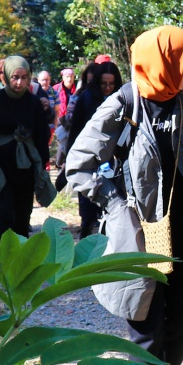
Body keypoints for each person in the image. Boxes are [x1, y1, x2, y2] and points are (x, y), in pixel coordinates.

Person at [65, 27, 183, 365]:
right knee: (146, 331)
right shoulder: (125, 102)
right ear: (166, 62)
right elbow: (78, 164)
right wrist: (115, 205)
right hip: (141, 236)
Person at [0, 55, 53, 240]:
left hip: (26, 166)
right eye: (15, 77)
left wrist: (42, 167)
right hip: (0, 165)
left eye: (24, 78)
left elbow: (41, 136)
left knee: (23, 216)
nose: (19, 83)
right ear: (6, 77)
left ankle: (22, 255)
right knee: (4, 213)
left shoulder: (33, 102)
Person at [68, 61, 122, 238]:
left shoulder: (123, 98)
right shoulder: (87, 98)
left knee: (114, 197)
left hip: (113, 158)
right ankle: (86, 231)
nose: (108, 87)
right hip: (90, 156)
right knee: (88, 199)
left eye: (111, 83)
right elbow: (75, 129)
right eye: (104, 83)